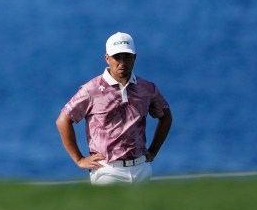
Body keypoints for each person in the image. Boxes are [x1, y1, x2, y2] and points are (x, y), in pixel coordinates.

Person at [55, 32, 172, 185]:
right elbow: (63, 121)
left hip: (141, 168)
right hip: (107, 171)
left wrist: (153, 151)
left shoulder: (147, 88)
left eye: (127, 57)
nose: (122, 63)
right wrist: (79, 159)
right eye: (117, 57)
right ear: (107, 58)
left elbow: (166, 116)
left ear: (134, 58)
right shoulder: (92, 89)